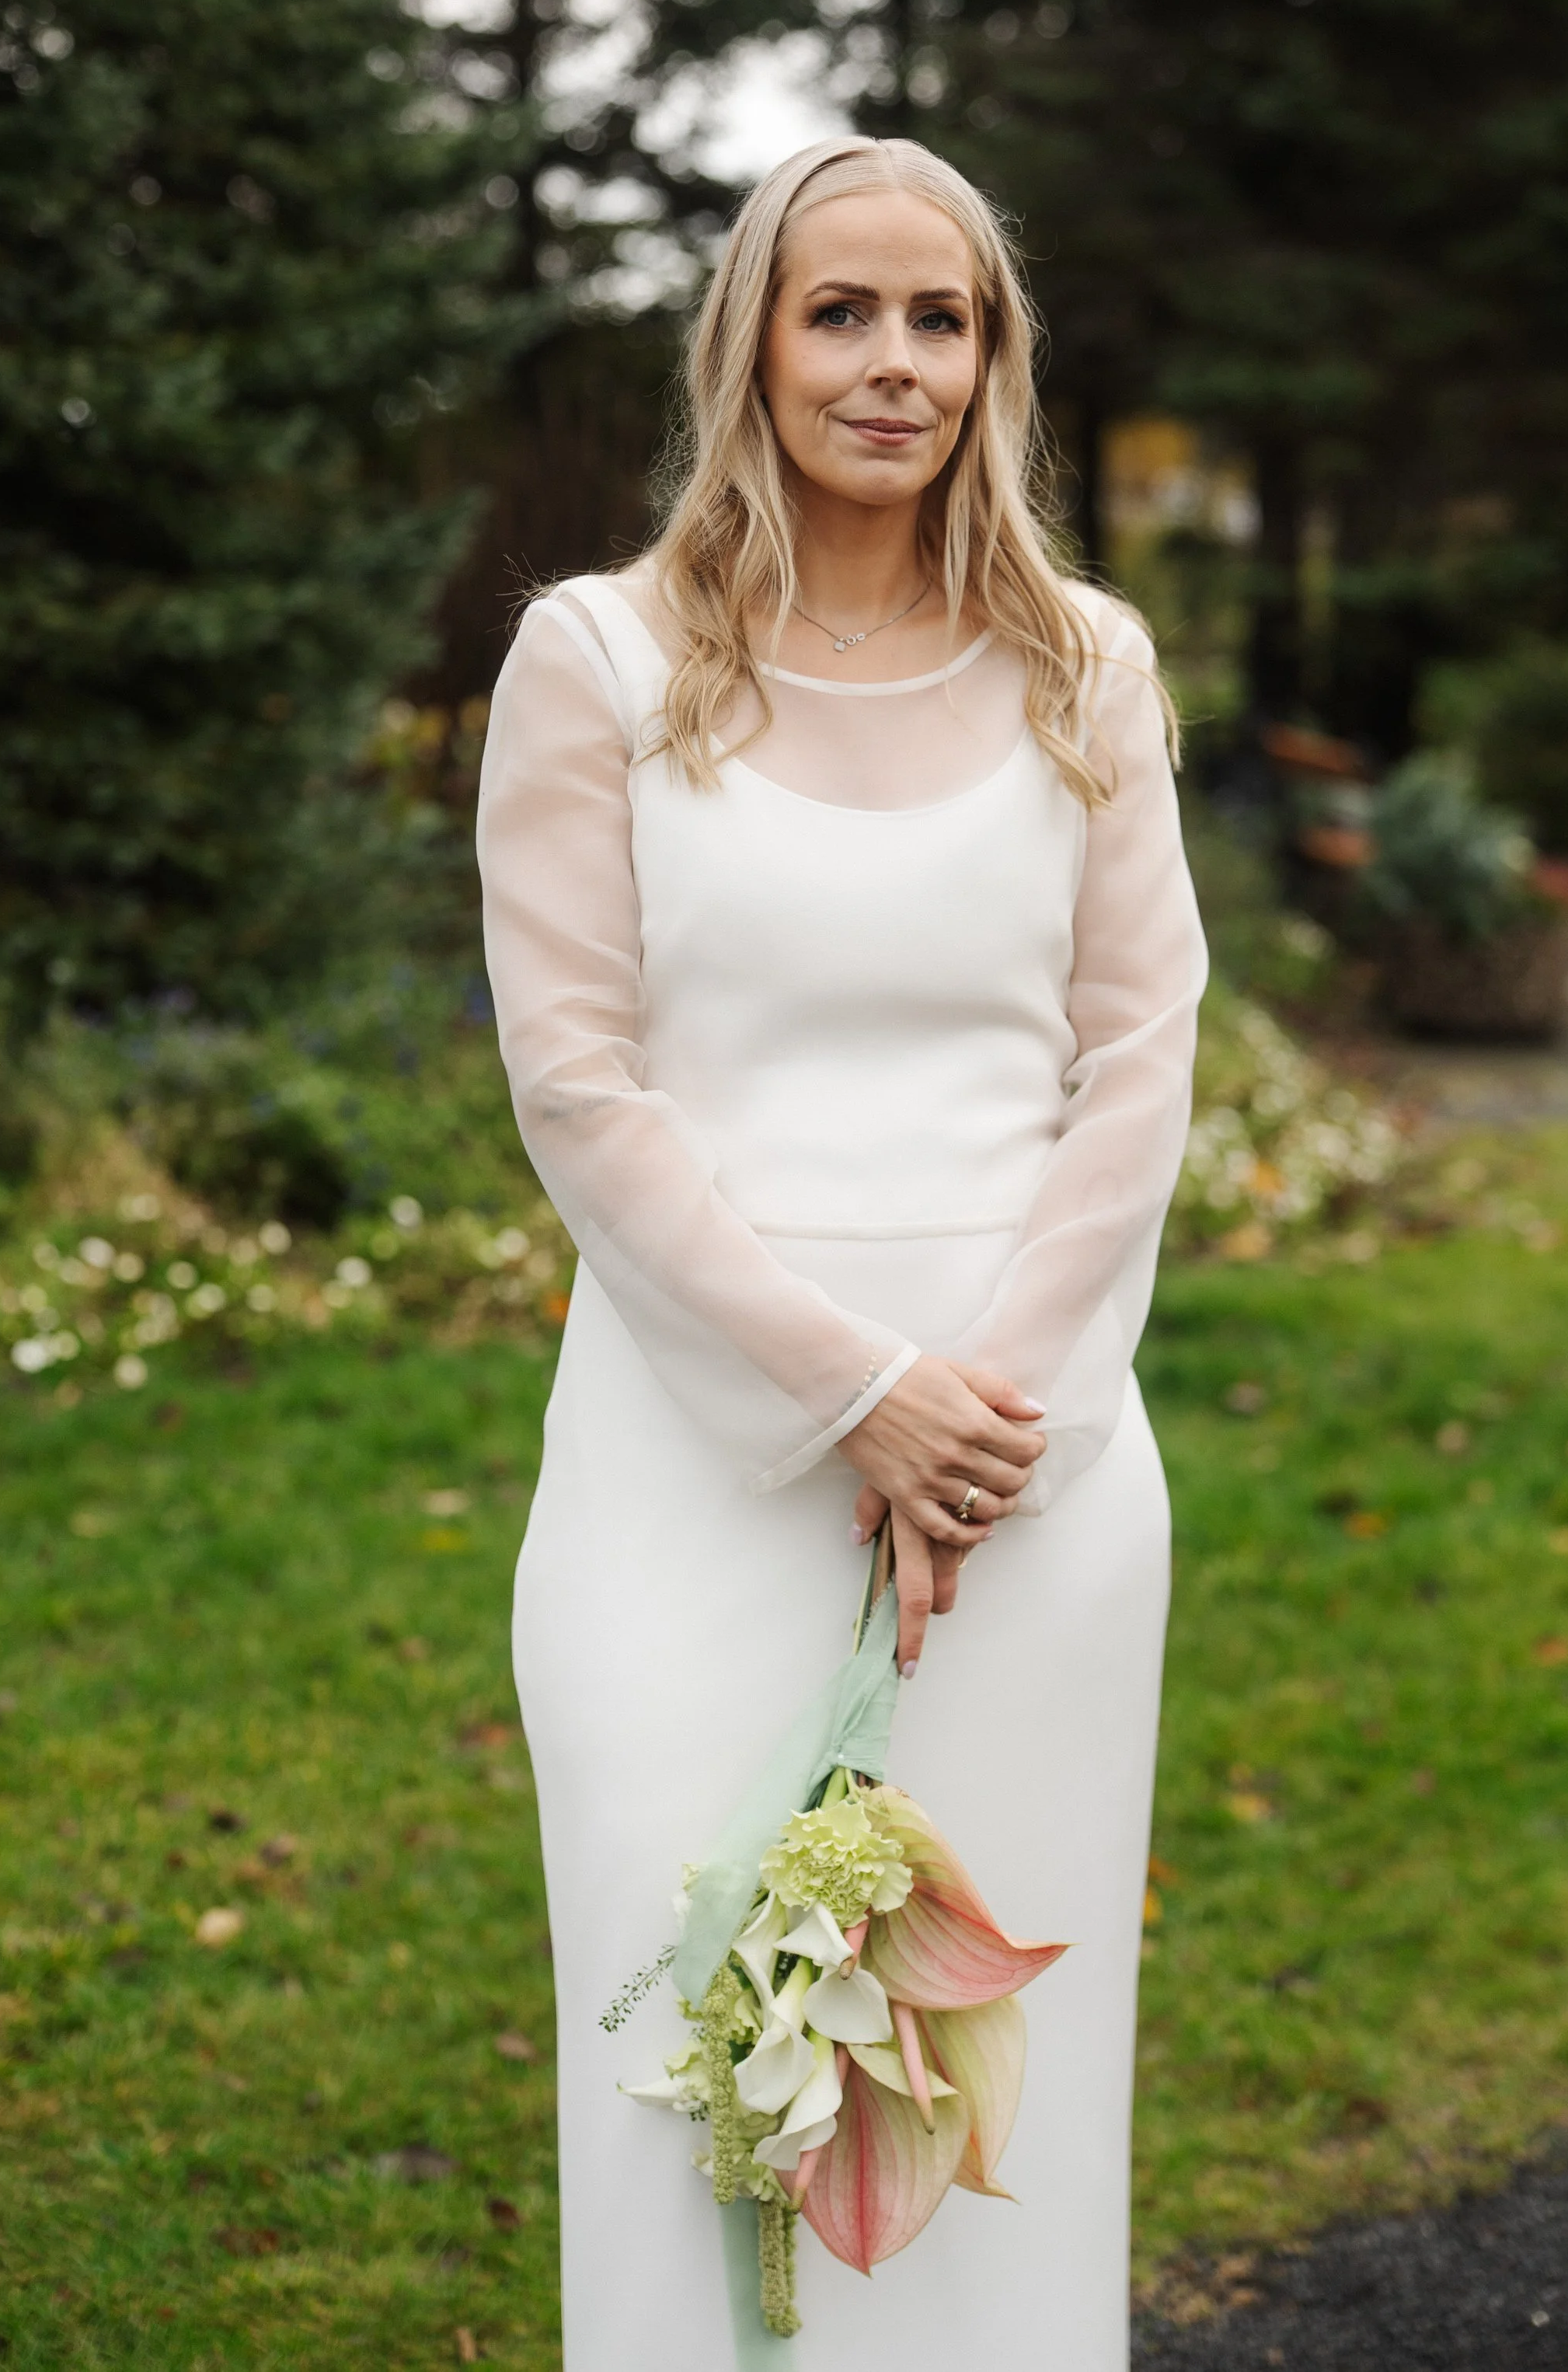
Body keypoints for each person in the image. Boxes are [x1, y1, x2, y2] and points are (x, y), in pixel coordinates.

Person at [478, 135, 1206, 2370]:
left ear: (991, 361)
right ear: (752, 345)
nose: (892, 362)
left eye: (941, 317)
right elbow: (582, 1081)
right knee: (682, 2048)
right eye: (841, 311)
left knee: (994, 2100)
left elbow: (1138, 1053)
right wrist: (844, 1394)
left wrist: (981, 1418)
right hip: (688, 1471)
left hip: (1028, 1484)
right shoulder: (598, 658)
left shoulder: (1084, 661)